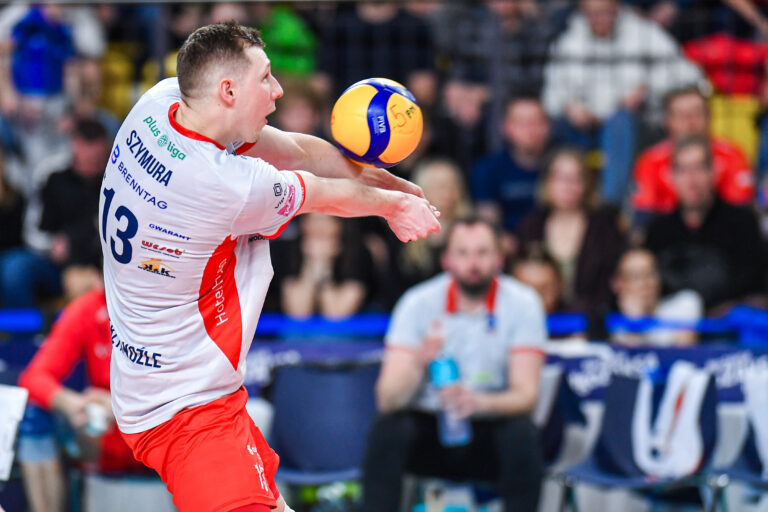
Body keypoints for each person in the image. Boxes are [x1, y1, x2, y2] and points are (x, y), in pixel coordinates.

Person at [100, 22, 439, 512]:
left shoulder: (159, 104)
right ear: (228, 91)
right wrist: (395, 208)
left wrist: (387, 183)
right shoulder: (223, 185)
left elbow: (294, 151)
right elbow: (324, 194)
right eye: (265, 78)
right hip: (187, 409)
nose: (278, 90)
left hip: (169, 386)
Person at [363, 217, 546, 512]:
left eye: (482, 253)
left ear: (499, 258)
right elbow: (387, 400)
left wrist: (477, 402)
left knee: (522, 434)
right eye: (463, 253)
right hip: (430, 426)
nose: (473, 264)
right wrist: (418, 363)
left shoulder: (523, 303)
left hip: (490, 424)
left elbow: (526, 396)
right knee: (387, 430)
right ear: (446, 259)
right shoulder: (416, 303)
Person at [18, 286, 175, 512]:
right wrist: (74, 404)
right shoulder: (89, 307)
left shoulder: (175, 303)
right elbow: (33, 378)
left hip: (163, 432)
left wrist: (119, 406)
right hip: (102, 439)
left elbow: (199, 388)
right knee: (36, 416)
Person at [542, 0, 702, 204]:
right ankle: (563, 204)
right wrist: (568, 105)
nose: (599, 19)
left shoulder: (644, 33)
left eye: (605, 12)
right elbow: (550, 96)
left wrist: (647, 88)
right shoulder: (569, 42)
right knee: (551, 128)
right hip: (583, 128)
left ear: (617, 8)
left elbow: (688, 74)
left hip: (637, 125)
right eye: (593, 14)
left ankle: (613, 205)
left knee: (620, 123)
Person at [645, 136, 766, 312]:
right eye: (683, 170)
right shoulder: (657, 230)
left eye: (699, 168)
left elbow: (754, 282)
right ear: (671, 176)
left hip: (727, 323)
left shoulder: (742, 223)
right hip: (671, 322)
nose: (691, 180)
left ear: (713, 173)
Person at [516, 148, 626, 314]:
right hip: (537, 316)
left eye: (576, 178)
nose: (567, 186)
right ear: (547, 182)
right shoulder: (531, 225)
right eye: (560, 177)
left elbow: (611, 281)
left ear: (587, 184)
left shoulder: (605, 227)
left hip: (591, 318)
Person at [632, 86, 754, 217]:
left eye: (696, 114)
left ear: (709, 116)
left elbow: (741, 209)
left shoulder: (731, 155)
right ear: (668, 121)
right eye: (681, 115)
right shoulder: (651, 161)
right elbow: (645, 215)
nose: (690, 122)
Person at [472, 95, 552, 232]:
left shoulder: (561, 167)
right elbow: (488, 226)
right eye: (521, 123)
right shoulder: (487, 170)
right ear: (506, 127)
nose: (529, 130)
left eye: (535, 122)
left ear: (547, 126)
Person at [274, 213, 376, 319]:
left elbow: (336, 315)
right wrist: (312, 264)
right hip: (292, 329)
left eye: (326, 220)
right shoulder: (290, 251)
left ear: (340, 225)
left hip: (350, 328)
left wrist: (325, 265)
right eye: (312, 220)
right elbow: (297, 314)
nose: (319, 227)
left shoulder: (357, 254)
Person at [610, 247, 702, 346]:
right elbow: (633, 355)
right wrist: (634, 323)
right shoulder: (612, 324)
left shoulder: (684, 303)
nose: (645, 283)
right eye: (635, 276)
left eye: (651, 274)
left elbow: (683, 351)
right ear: (617, 284)